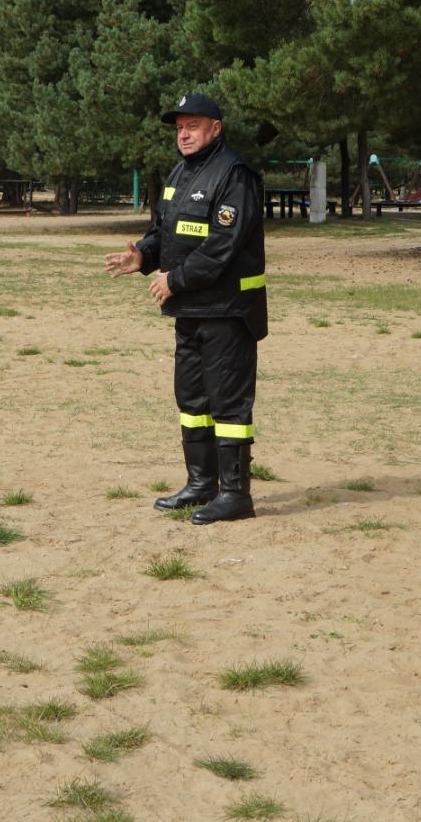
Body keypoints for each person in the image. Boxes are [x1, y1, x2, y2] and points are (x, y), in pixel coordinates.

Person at [103, 93, 267, 524]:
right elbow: (166, 231)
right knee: (192, 399)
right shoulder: (181, 171)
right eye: (179, 128)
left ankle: (236, 495)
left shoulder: (235, 174)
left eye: (193, 125)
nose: (184, 134)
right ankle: (201, 484)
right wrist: (143, 255)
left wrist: (173, 280)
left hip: (229, 310)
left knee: (228, 404)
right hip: (190, 311)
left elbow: (221, 246)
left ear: (216, 128)